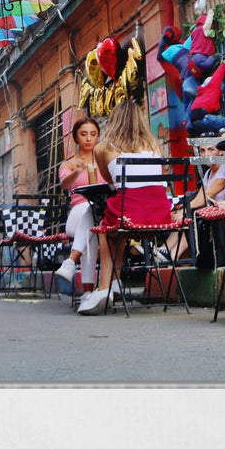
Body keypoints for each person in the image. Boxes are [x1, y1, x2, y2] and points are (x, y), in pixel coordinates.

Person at [79, 90, 171, 315]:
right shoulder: (155, 145)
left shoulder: (103, 148)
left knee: (107, 229)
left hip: (128, 212)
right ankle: (115, 283)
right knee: (116, 227)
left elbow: (110, 181)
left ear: (114, 120)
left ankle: (104, 288)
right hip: (160, 215)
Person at [53, 114, 102, 292]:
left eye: (93, 134)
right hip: (78, 212)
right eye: (83, 134)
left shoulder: (103, 159)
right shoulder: (70, 163)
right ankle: (95, 289)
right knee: (92, 221)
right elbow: (65, 184)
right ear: (75, 137)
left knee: (94, 231)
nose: (89, 138)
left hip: (101, 215)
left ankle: (76, 272)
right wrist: (77, 171)